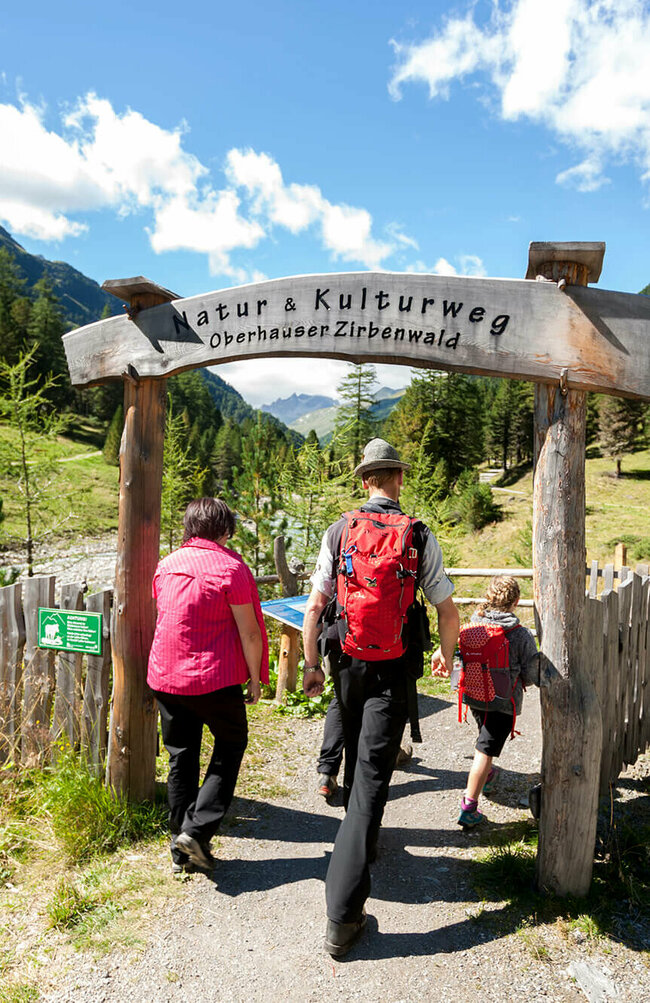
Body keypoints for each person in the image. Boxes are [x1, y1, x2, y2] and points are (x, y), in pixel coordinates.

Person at [302, 438, 459, 956]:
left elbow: (315, 605)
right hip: (393, 668)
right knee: (371, 780)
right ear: (396, 479)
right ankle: (343, 917)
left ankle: (361, 843)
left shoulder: (339, 529)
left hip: (345, 661)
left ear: (365, 479)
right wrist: (446, 654)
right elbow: (447, 608)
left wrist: (309, 666)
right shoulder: (417, 533)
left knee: (355, 762)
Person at [147, 497, 269, 874]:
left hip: (166, 677)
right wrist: (255, 677)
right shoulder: (232, 569)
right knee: (231, 744)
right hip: (215, 679)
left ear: (189, 526)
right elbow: (249, 632)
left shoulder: (166, 566)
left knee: (181, 755)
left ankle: (179, 848)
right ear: (226, 529)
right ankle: (197, 832)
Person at [440, 575, 539, 828]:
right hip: (503, 703)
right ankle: (468, 807)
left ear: (488, 597)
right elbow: (530, 675)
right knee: (484, 750)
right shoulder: (520, 635)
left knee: (484, 736)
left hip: (474, 696)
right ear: (516, 602)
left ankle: (488, 775)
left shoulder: (474, 623)